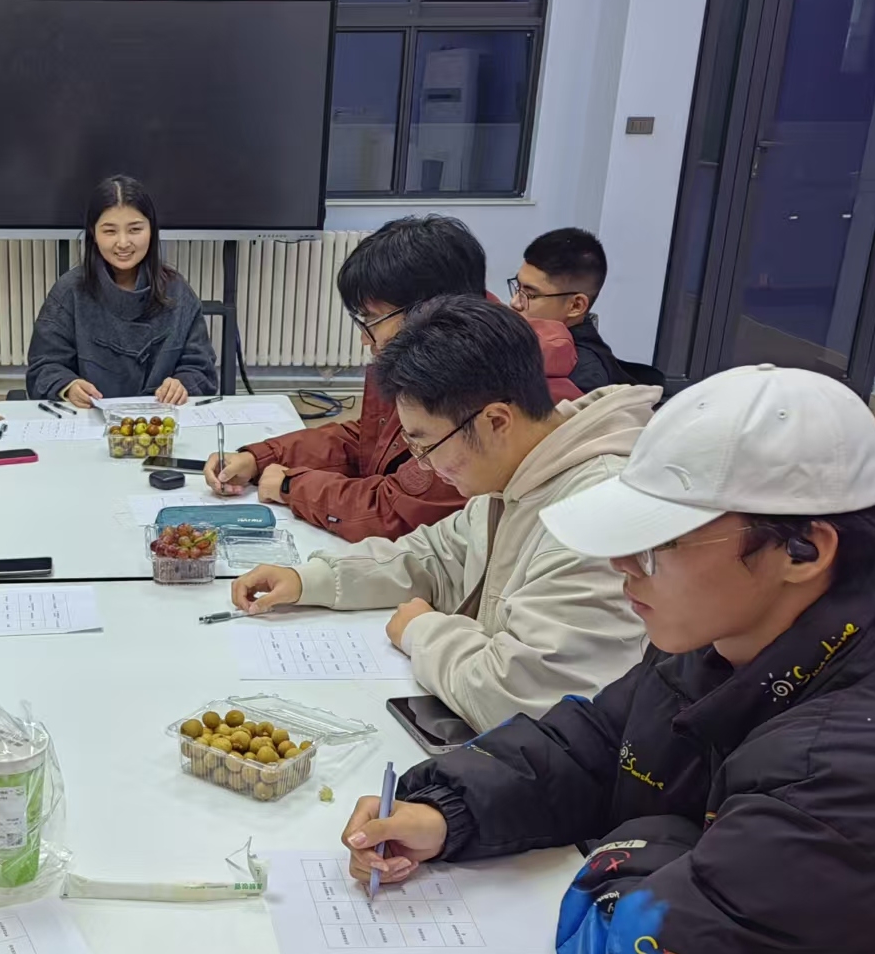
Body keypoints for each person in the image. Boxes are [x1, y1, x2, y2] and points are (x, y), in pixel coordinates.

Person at [342, 365, 875, 954]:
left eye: (660, 542)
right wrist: (448, 808)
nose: (622, 563)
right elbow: (597, 740)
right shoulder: (728, 637)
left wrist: (656, 838)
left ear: (803, 549)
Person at [232, 295, 656, 732]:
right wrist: (312, 580)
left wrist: (423, 632)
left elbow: (518, 699)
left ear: (496, 421)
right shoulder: (518, 472)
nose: (424, 464)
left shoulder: (596, 518)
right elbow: (433, 556)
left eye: (426, 445)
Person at [204, 214, 584, 543]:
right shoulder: (424, 357)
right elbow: (369, 440)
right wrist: (261, 456)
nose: (364, 338)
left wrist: (292, 485)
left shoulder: (479, 381)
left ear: (427, 310)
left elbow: (398, 512)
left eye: (371, 319)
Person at [26, 174, 218, 406]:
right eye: (110, 231)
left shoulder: (177, 291)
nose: (123, 243)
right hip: (90, 418)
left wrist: (182, 384)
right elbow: (44, 366)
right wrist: (68, 387)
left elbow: (201, 368)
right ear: (93, 233)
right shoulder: (69, 291)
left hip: (161, 419)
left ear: (151, 230)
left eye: (135, 229)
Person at [511, 227, 631, 392]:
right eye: (518, 287)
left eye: (530, 294)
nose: (515, 302)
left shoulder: (582, 379)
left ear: (576, 306)